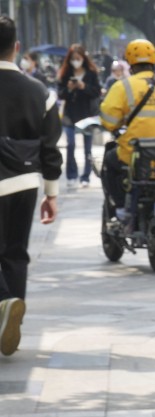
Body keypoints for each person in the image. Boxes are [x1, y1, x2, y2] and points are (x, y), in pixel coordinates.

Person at [0, 15, 61, 356]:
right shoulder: (40, 92)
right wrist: (51, 194)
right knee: (15, 253)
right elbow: (50, 149)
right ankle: (12, 315)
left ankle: (4, 303)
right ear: (17, 47)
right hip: (24, 182)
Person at [99, 38, 155, 229]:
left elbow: (109, 121)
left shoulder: (122, 86)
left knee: (109, 162)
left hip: (134, 155)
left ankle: (121, 208)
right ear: (154, 59)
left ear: (129, 61)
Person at [57, 43, 102, 189]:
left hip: (87, 114)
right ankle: (71, 175)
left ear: (83, 58)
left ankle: (86, 176)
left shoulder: (91, 73)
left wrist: (84, 87)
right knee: (70, 144)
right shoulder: (65, 73)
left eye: (78, 58)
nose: (75, 61)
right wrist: (69, 89)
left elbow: (96, 92)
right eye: (73, 58)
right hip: (70, 114)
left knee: (87, 148)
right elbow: (60, 94)